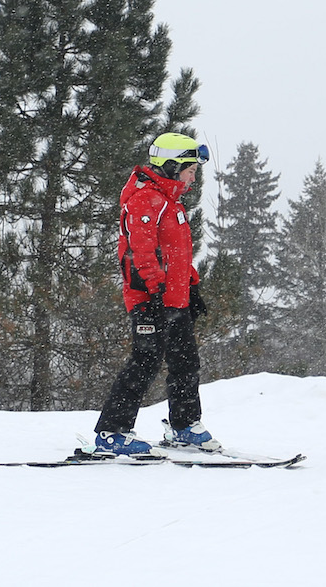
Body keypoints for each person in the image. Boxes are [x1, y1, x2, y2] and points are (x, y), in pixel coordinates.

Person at [93, 132, 219, 456]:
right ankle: (111, 431)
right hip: (149, 299)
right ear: (173, 167)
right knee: (145, 360)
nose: (193, 178)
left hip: (174, 299)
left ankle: (184, 426)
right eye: (190, 170)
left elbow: (177, 254)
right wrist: (157, 290)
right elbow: (140, 253)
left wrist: (190, 285)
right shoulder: (144, 199)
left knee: (185, 360)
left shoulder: (170, 203)